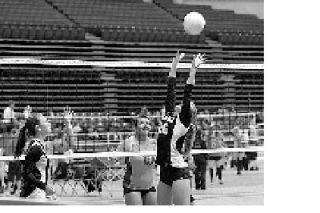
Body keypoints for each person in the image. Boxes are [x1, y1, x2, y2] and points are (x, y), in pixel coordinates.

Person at [156, 51, 205, 205]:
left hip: (179, 171)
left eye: (187, 106)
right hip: (164, 170)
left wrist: (193, 68)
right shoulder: (170, 114)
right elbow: (171, 88)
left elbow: (187, 93)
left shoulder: (183, 122)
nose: (182, 105)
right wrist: (174, 64)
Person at [118, 107, 157, 205]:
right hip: (132, 187)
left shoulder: (154, 143)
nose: (146, 126)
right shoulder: (128, 143)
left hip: (149, 186)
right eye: (142, 123)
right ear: (135, 127)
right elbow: (119, 161)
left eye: (148, 123)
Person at [14, 114, 55, 198]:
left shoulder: (38, 145)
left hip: (38, 193)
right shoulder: (36, 148)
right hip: (34, 194)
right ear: (38, 128)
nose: (49, 122)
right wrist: (45, 188)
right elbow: (26, 173)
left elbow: (38, 172)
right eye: (46, 121)